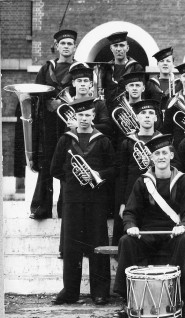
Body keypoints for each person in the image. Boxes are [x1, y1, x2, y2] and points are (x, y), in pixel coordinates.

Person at [112, 134, 185, 318]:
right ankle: (128, 302)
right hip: (148, 234)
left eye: (164, 153)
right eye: (157, 153)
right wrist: (131, 226)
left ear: (171, 156)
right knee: (126, 240)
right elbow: (130, 212)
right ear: (151, 158)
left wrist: (183, 226)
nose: (161, 157)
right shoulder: (143, 181)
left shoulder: (183, 181)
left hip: (173, 233)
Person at [50, 97, 116, 305]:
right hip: (73, 199)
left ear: (94, 116)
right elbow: (55, 169)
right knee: (71, 247)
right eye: (80, 115)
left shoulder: (103, 140)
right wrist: (75, 178)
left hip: (97, 200)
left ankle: (100, 292)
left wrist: (96, 175)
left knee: (98, 245)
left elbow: (114, 169)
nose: (84, 119)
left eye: (88, 115)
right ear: (74, 117)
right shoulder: (65, 139)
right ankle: (70, 292)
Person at [29, 29, 77, 220]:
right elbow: (35, 93)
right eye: (62, 43)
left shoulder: (80, 68)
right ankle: (42, 208)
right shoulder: (46, 68)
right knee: (47, 164)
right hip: (48, 124)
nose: (66, 47)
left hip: (69, 123)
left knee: (68, 164)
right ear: (57, 46)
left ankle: (65, 210)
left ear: (75, 47)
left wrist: (65, 103)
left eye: (69, 43)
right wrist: (48, 101)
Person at [113, 99, 162, 246]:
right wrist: (122, 203)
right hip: (131, 195)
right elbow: (121, 175)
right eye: (143, 113)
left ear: (156, 118)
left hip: (157, 194)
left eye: (151, 113)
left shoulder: (163, 141)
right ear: (137, 117)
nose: (147, 116)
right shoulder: (127, 142)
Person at [68, 63, 113, 136]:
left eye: (85, 81)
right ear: (73, 83)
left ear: (91, 84)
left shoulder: (98, 103)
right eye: (79, 81)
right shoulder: (68, 105)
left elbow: (107, 127)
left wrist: (80, 126)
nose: (82, 84)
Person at [103, 31, 144, 104]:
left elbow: (141, 92)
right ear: (111, 48)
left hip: (129, 108)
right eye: (115, 45)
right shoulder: (106, 68)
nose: (118, 49)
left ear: (127, 48)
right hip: (108, 108)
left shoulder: (136, 67)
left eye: (122, 45)